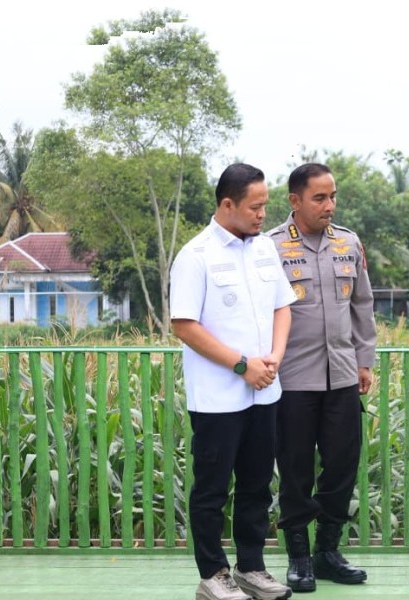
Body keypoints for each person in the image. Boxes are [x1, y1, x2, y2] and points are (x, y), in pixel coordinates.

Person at [171, 163, 297, 600]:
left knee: (257, 485)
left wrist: (274, 359)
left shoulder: (264, 249)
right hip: (217, 398)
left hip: (265, 391)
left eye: (266, 205)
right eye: (256, 206)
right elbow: (185, 325)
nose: (264, 214)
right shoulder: (195, 256)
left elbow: (283, 307)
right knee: (211, 489)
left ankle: (251, 568)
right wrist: (243, 366)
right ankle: (213, 575)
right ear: (228, 205)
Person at [267, 163, 376, 592]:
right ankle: (297, 556)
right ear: (295, 201)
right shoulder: (271, 247)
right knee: (295, 470)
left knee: (342, 466)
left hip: (343, 376)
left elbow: (362, 305)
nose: (329, 205)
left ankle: (327, 552)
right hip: (293, 379)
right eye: (319, 198)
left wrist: (364, 360)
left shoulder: (348, 243)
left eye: (332, 197)